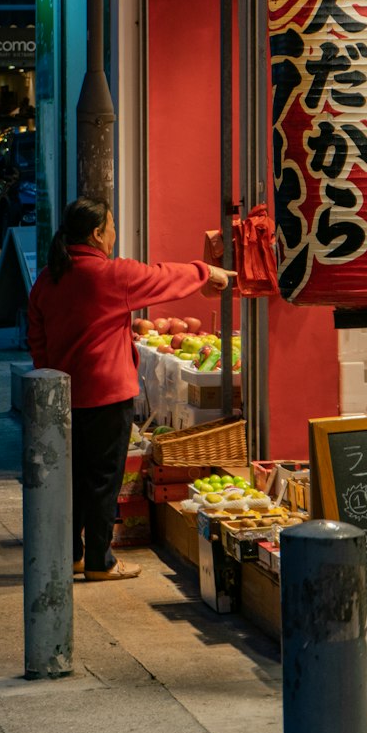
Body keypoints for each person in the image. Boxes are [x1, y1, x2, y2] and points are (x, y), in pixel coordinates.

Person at [26, 197, 234, 582]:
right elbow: (161, 277)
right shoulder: (110, 275)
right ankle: (100, 561)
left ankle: (71, 554)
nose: (115, 234)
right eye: (112, 226)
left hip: (61, 397)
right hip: (107, 395)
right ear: (97, 233)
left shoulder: (47, 277)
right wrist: (206, 272)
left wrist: (51, 374)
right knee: (104, 479)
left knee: (71, 477)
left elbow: (35, 336)